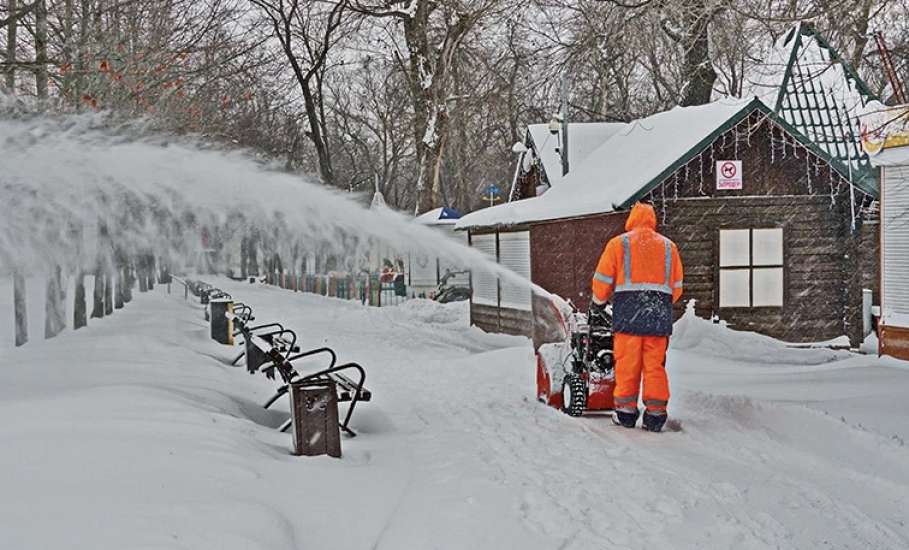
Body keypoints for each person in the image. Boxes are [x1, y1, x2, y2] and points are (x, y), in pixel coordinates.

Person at [590, 202, 683, 432]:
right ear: (652, 220)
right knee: (655, 366)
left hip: (628, 316)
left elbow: (602, 279)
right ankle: (655, 415)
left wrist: (598, 302)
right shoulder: (669, 247)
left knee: (627, 364)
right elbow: (677, 287)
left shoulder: (619, 243)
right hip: (658, 315)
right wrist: (658, 303)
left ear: (631, 220)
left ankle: (626, 413)